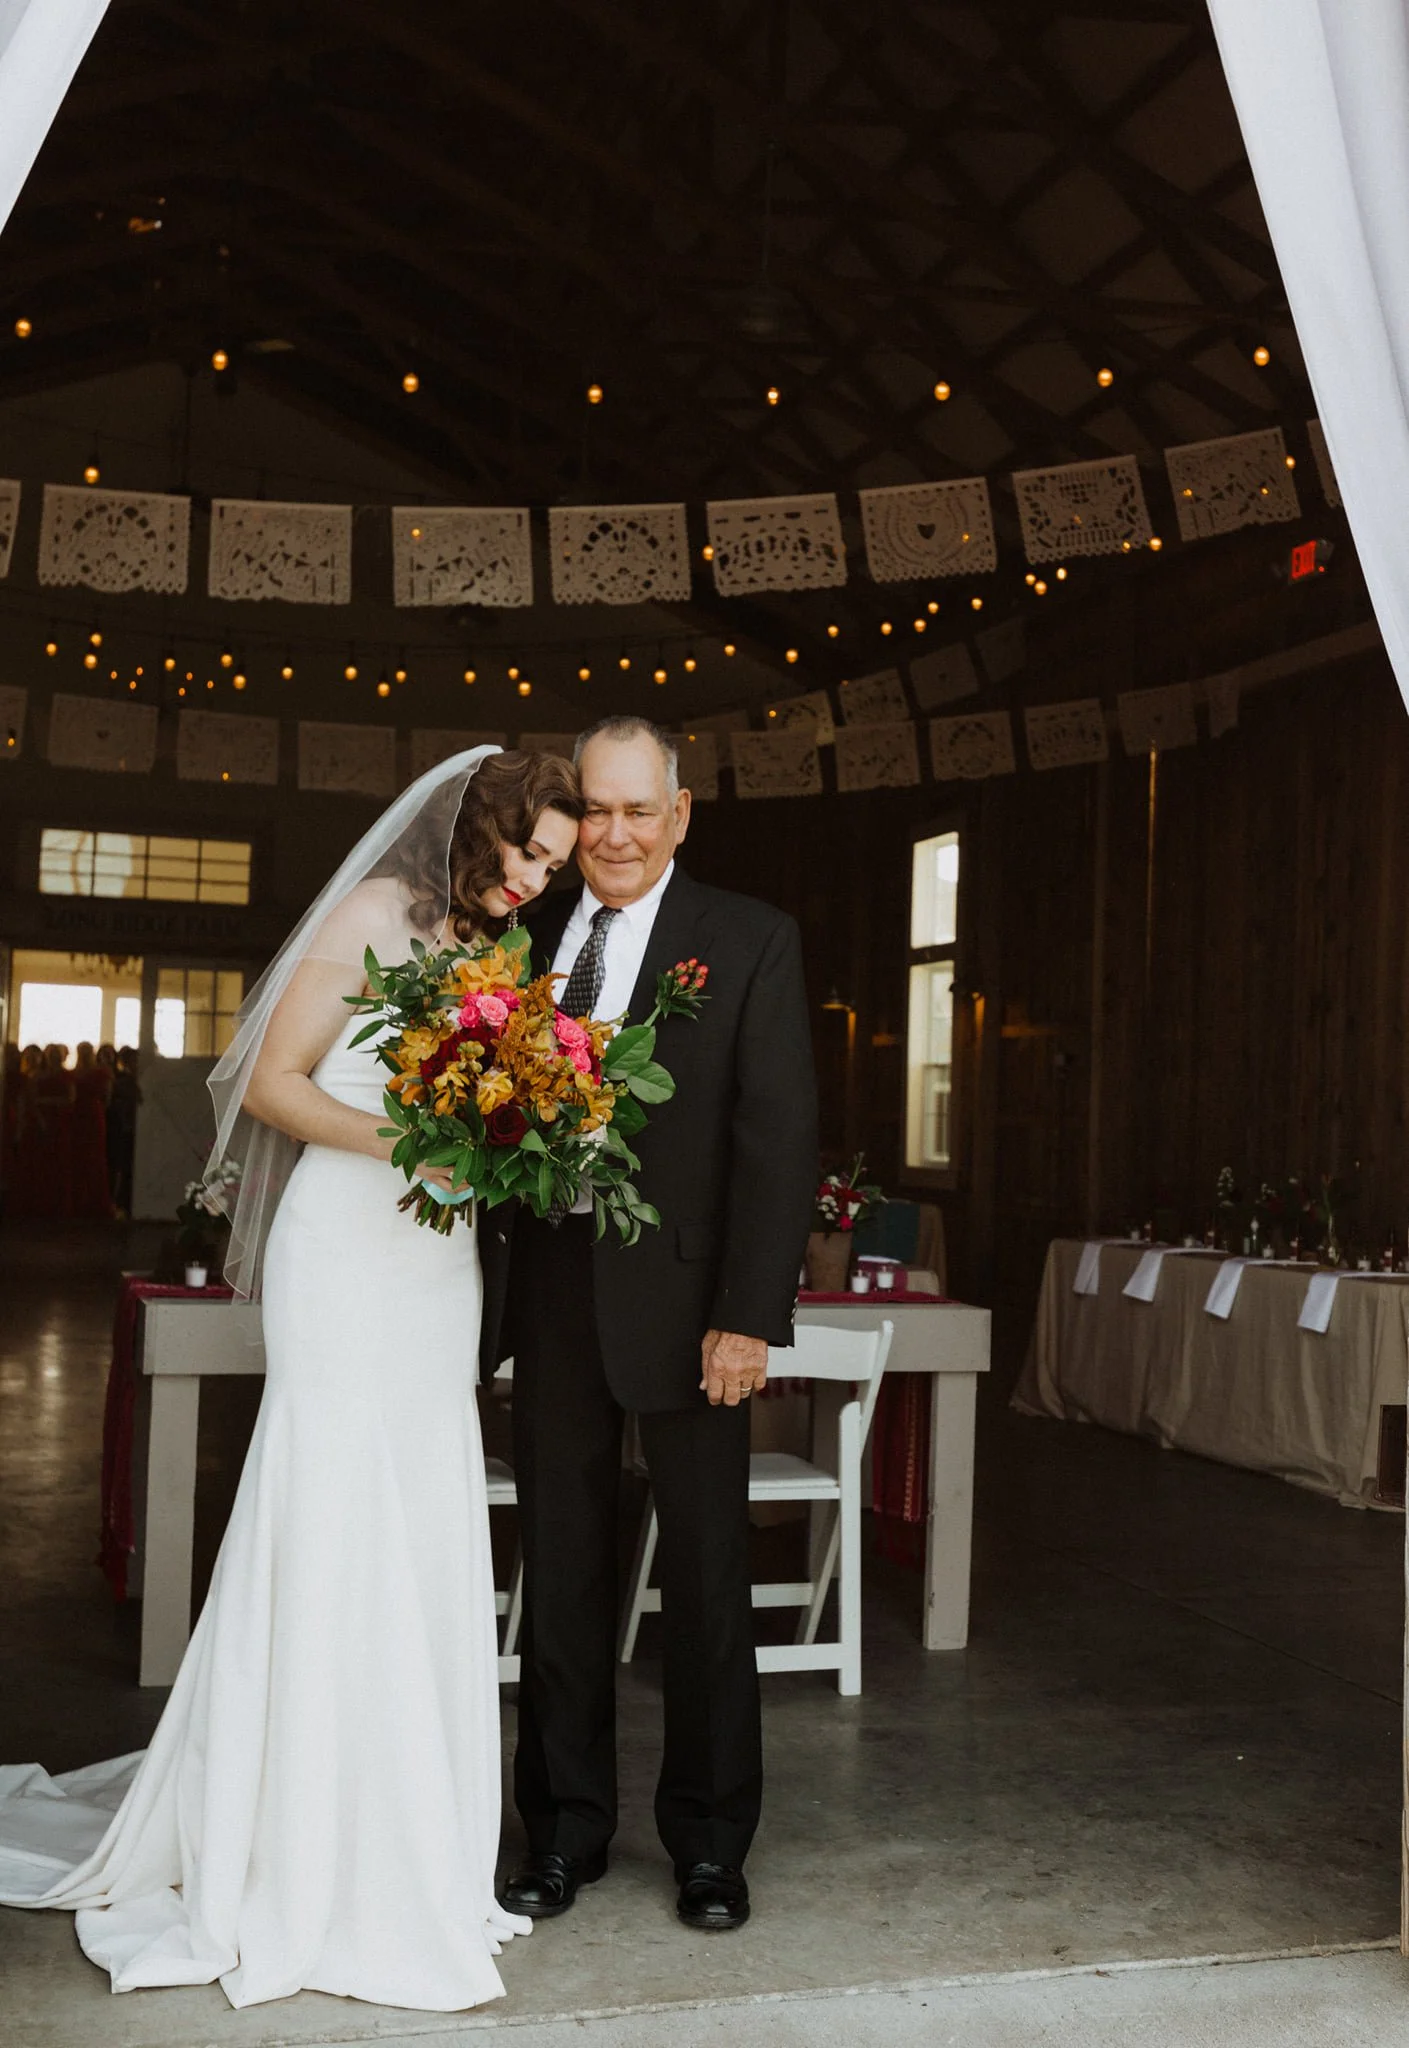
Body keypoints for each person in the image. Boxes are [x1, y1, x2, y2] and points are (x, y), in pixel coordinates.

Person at [0, 747, 582, 2013]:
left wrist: (508, 1133)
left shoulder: (501, 958)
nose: (541, 878)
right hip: (346, 1243)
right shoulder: (377, 913)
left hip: (434, 1269)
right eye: (531, 851)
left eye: (554, 860)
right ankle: (289, 1834)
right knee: (328, 1506)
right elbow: (268, 1081)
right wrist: (413, 1139)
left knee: (420, 1512)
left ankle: (407, 1836)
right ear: (479, 829)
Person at [482, 715, 818, 1935]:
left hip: (690, 1313)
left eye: (639, 811)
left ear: (679, 815)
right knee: (560, 1572)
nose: (614, 835)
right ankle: (561, 1832)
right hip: (554, 1296)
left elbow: (776, 1143)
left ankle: (711, 1843)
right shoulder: (516, 937)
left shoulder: (748, 937)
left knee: (708, 1582)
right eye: (598, 812)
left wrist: (746, 1316)